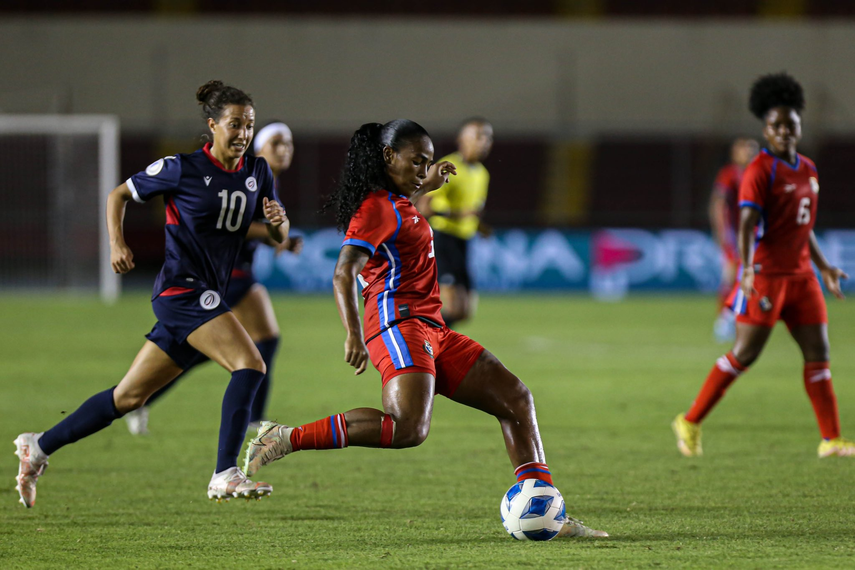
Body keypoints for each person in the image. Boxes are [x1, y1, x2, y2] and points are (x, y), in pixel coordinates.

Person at [243, 120, 608, 538]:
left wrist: (424, 186)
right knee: (408, 428)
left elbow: (398, 213)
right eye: (416, 161)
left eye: (428, 161)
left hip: (432, 327)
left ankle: (546, 510)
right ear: (388, 157)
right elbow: (343, 272)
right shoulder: (375, 208)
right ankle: (285, 437)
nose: (423, 169)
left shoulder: (396, 201)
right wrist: (353, 333)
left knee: (515, 398)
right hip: (397, 325)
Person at [14, 80, 291, 507]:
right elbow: (119, 195)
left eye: (249, 125)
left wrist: (277, 220)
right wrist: (117, 243)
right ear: (213, 125)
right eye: (235, 124)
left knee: (127, 397)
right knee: (250, 363)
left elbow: (278, 235)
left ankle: (38, 446)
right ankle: (225, 472)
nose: (243, 133)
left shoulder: (258, 173)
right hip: (182, 291)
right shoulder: (182, 168)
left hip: (207, 294)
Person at [673, 72, 853, 458]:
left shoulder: (808, 168)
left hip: (803, 277)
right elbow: (746, 224)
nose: (784, 130)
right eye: (776, 125)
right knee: (745, 354)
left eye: (791, 124)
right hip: (768, 276)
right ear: (766, 130)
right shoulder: (760, 170)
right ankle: (690, 420)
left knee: (819, 353)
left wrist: (824, 266)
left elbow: (803, 227)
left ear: (799, 126)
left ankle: (831, 439)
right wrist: (748, 268)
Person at [123, 121, 303, 436]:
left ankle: (141, 397)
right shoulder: (244, 174)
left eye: (288, 143)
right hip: (222, 272)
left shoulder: (265, 180)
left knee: (216, 346)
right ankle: (252, 419)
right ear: (259, 148)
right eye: (276, 143)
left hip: (235, 270)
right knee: (258, 341)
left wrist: (280, 240)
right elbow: (230, 223)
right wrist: (274, 236)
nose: (284, 149)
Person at [415, 118, 493, 328]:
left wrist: (480, 227)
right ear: (462, 139)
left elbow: (472, 212)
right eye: (479, 136)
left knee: (465, 311)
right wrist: (460, 214)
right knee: (451, 306)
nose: (484, 142)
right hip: (443, 240)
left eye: (488, 138)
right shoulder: (448, 167)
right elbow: (425, 206)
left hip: (464, 242)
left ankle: (426, 332)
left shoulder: (482, 174)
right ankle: (421, 338)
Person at [709, 137, 759, 342]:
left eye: (751, 149)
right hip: (735, 234)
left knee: (751, 277)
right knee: (731, 275)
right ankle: (723, 320)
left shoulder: (761, 175)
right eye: (744, 149)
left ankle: (737, 318)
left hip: (756, 234)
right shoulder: (730, 174)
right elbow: (718, 204)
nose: (748, 153)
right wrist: (722, 233)